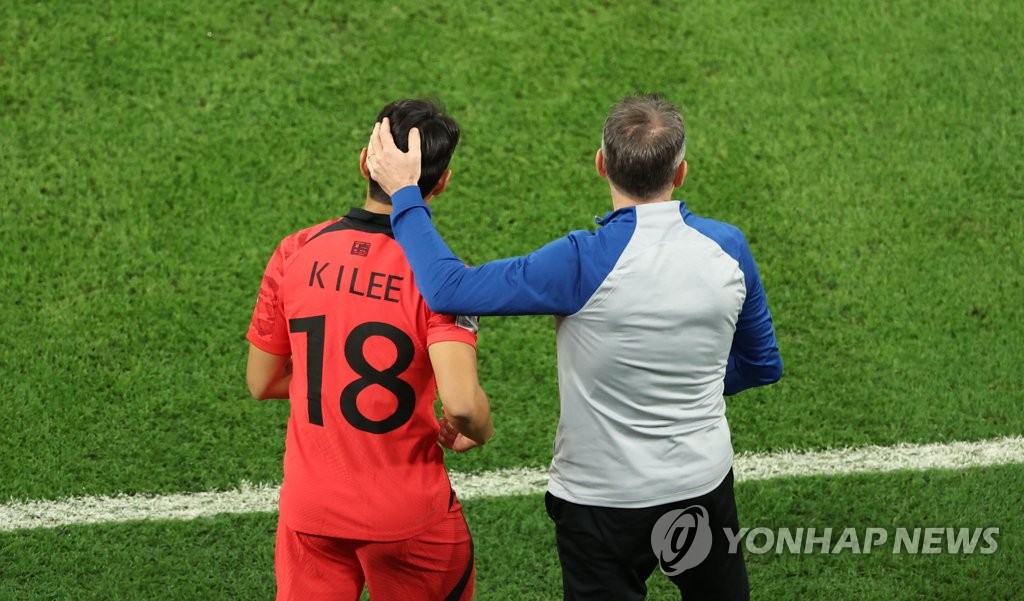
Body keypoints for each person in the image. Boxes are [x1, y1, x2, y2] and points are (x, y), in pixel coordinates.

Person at [365, 93, 782, 600]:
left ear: (601, 163)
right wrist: (687, 383)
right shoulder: (729, 248)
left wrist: (405, 194)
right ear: (680, 172)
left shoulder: (579, 261)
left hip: (600, 502)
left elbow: (449, 288)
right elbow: (762, 364)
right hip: (703, 488)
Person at [245, 99, 492, 601]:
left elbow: (262, 381)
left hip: (310, 514)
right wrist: (477, 431)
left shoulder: (295, 252)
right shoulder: (444, 279)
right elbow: (463, 405)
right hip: (409, 519)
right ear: (441, 184)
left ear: (365, 162)